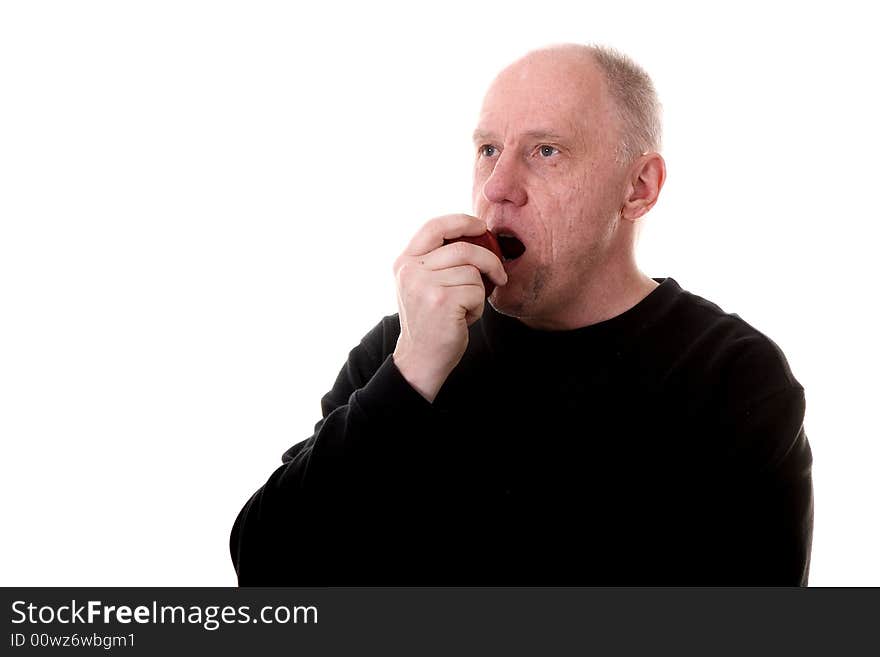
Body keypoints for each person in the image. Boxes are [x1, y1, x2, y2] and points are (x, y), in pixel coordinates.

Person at [230, 43, 813, 586]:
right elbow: (267, 570)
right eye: (488, 150)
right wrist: (410, 375)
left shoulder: (734, 378)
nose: (498, 188)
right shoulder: (406, 346)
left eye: (546, 151)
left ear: (638, 188)